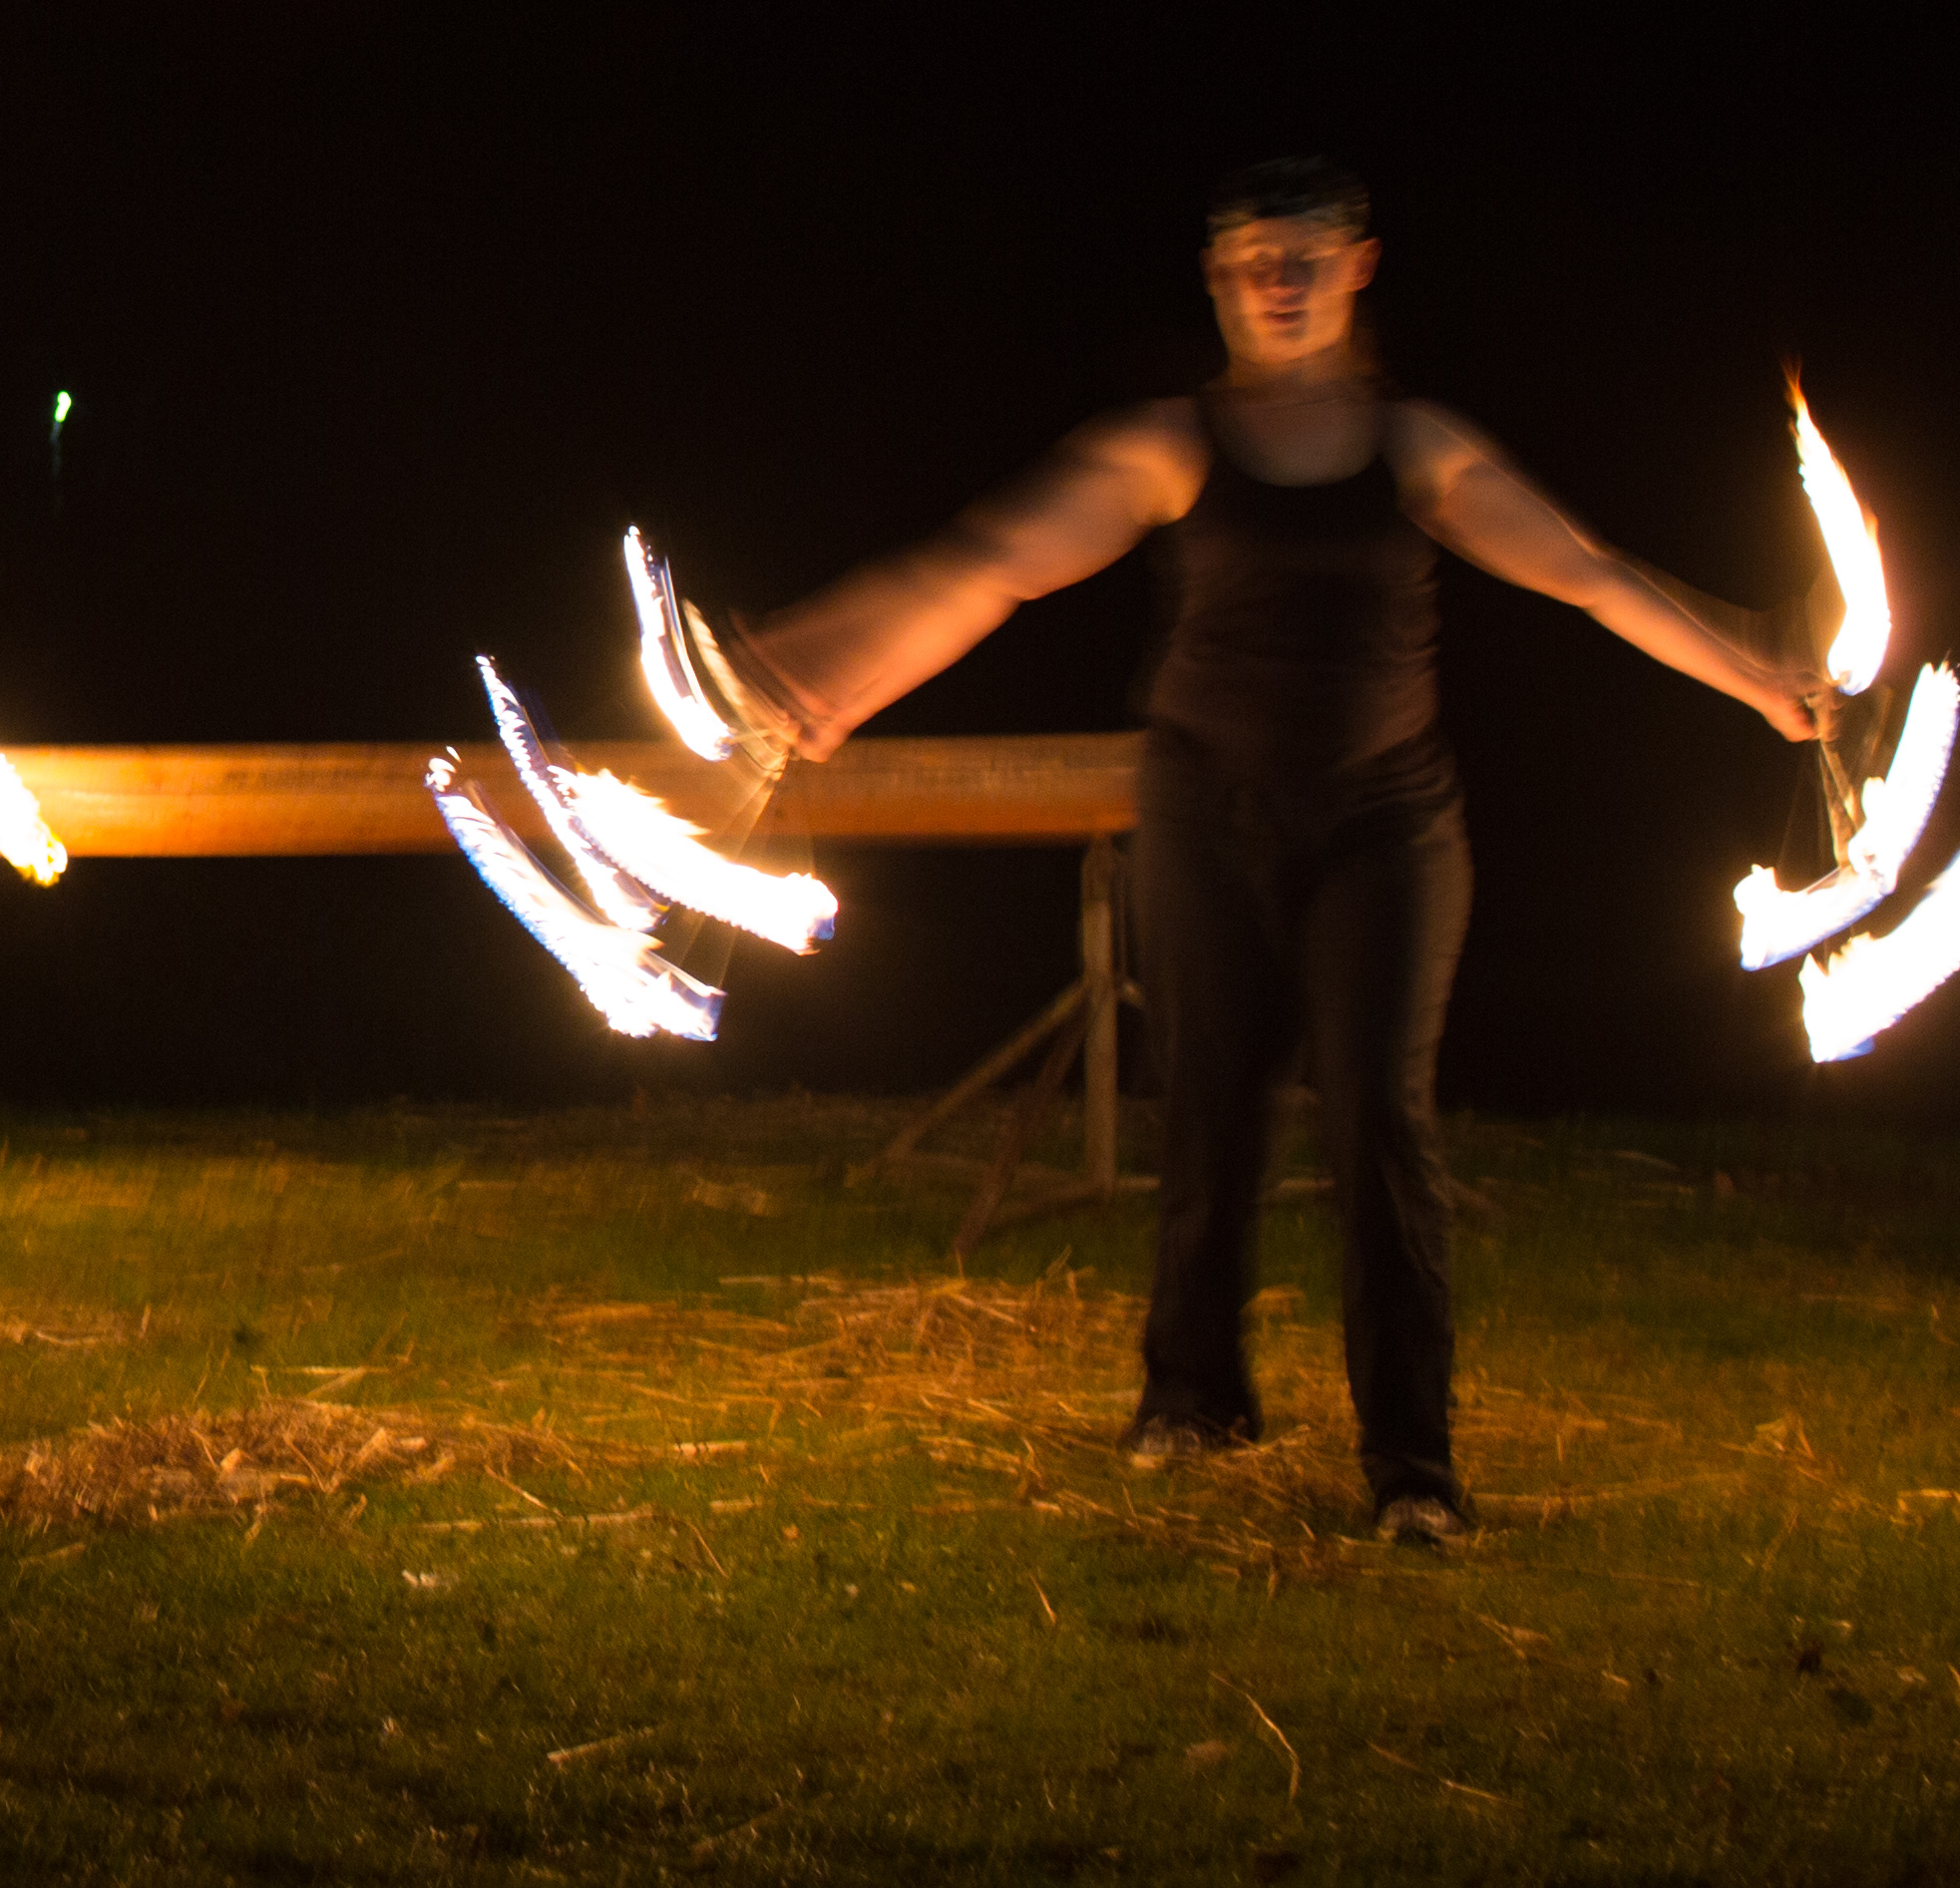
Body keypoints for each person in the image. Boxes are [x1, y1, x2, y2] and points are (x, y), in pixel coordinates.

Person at [726, 159, 1827, 1543]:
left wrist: (1759, 673)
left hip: (1386, 826)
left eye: (1305, 254)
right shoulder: (1170, 445)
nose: (1279, 280)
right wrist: (831, 675)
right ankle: (1192, 1399)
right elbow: (988, 564)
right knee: (1209, 1104)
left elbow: (1590, 572)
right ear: (1216, 279)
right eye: (1251, 258)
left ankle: (1411, 1466)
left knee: (1380, 1117)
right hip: (1205, 816)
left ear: (1360, 265)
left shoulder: (1415, 447)